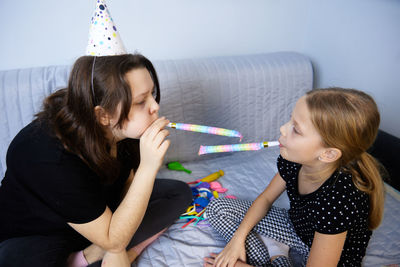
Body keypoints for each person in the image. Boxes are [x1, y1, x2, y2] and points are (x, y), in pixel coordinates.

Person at [0, 54, 192, 267]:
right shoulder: (50, 157)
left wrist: (115, 244)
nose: (154, 106)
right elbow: (114, 234)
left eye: (152, 94)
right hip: (40, 235)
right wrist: (148, 168)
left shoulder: (125, 130)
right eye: (141, 101)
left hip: (97, 216)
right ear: (103, 115)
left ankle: (108, 248)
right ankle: (88, 256)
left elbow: (127, 184)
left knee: (178, 193)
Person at [204, 88, 385, 267]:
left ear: (328, 154)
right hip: (298, 230)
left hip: (332, 261)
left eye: (296, 129)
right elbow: (266, 198)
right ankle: (277, 253)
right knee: (217, 208)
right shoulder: (294, 159)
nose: (283, 128)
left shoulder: (338, 199)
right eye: (290, 120)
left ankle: (277, 258)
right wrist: (237, 239)